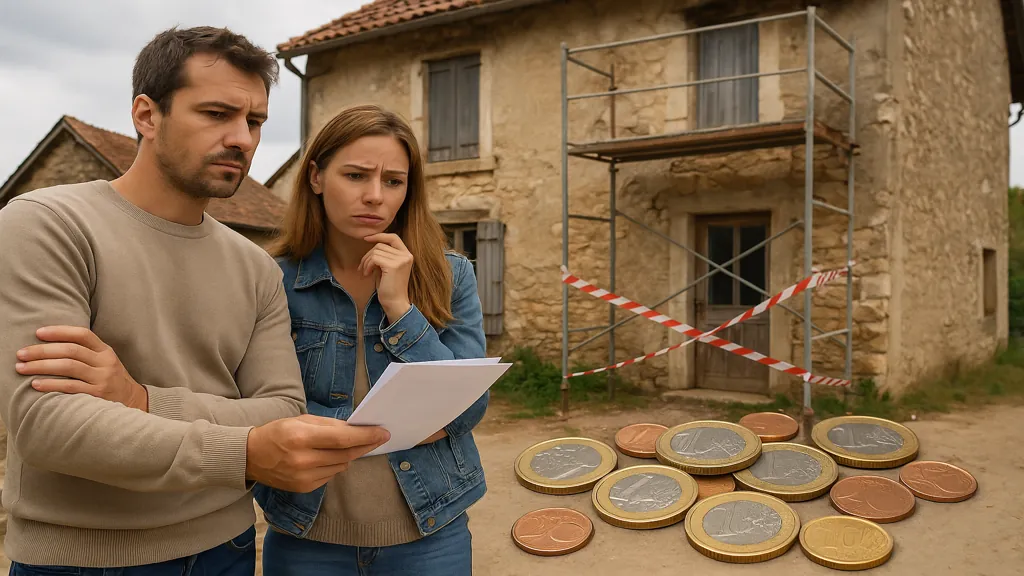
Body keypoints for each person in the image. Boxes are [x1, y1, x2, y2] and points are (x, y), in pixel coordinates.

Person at [0, 27, 389, 575]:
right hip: (80, 558)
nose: (244, 139)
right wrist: (244, 450)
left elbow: (284, 410)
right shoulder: (50, 225)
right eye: (216, 113)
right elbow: (48, 427)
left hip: (225, 550)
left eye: (254, 122)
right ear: (146, 115)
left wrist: (141, 400)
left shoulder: (254, 265)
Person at [251, 104, 490, 575]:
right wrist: (400, 425)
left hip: (430, 534)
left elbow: (467, 408)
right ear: (316, 177)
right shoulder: (272, 280)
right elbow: (262, 409)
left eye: (393, 181)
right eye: (356, 176)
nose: (375, 197)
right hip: (308, 536)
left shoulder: (451, 274)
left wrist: (400, 306)